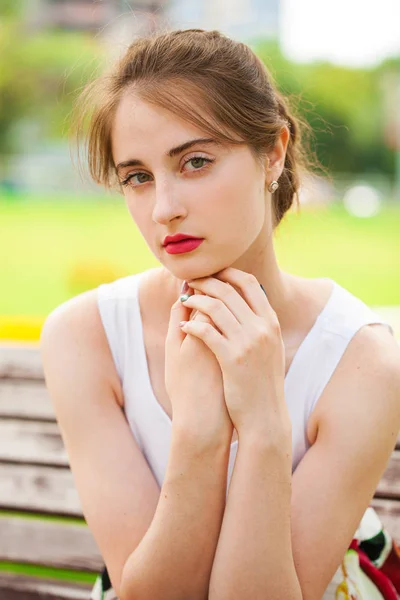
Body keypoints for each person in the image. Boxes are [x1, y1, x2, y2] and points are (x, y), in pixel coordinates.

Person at [40, 28, 400, 600]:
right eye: (137, 176)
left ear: (274, 153)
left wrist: (262, 426)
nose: (164, 209)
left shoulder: (361, 361)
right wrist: (200, 433)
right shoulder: (86, 338)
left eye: (196, 162)